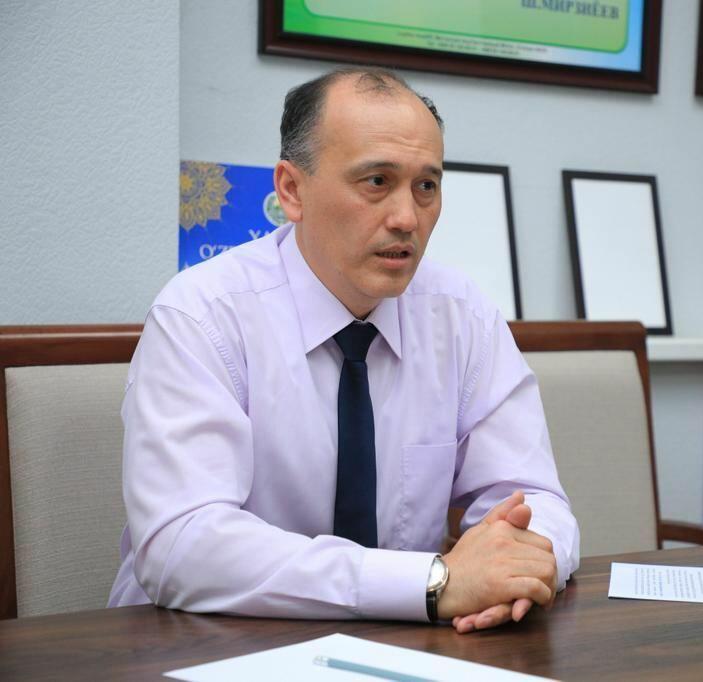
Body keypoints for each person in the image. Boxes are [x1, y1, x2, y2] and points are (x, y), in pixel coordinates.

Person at [108, 68, 580, 634]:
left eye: (426, 187)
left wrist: (517, 569)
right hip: (203, 645)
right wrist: (432, 582)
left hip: (408, 646)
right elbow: (182, 545)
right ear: (292, 191)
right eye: (377, 181)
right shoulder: (202, 315)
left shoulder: (461, 314)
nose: (406, 218)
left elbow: (534, 499)